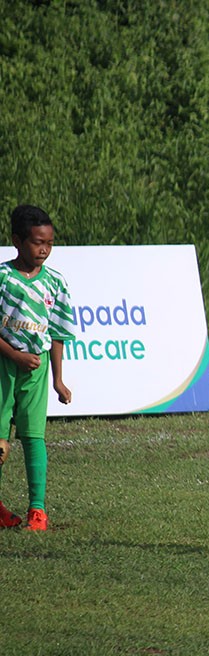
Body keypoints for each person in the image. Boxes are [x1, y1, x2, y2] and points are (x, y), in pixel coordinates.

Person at [0, 205, 76, 531]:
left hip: (37, 371)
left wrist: (58, 379)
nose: (44, 249)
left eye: (49, 243)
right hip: (4, 366)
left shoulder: (56, 283)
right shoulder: (3, 278)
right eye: (36, 242)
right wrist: (14, 356)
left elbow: (57, 333)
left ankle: (37, 510)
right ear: (17, 241)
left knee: (33, 437)